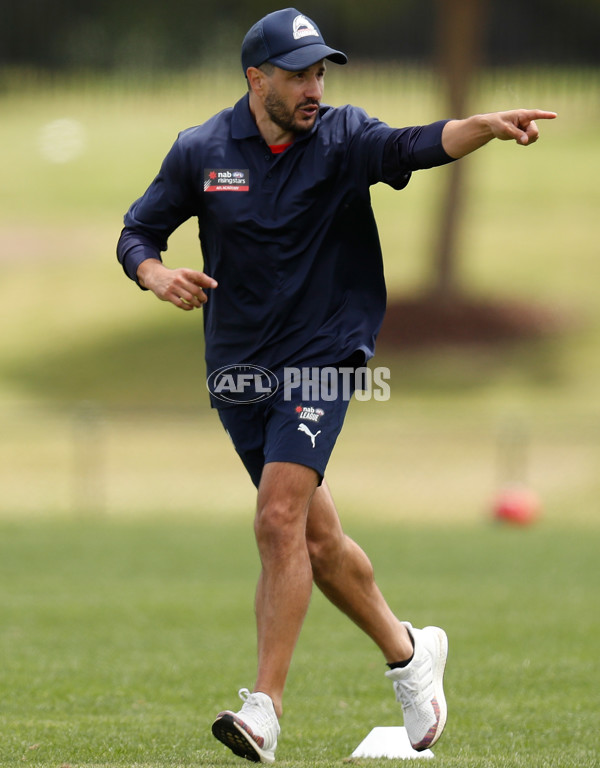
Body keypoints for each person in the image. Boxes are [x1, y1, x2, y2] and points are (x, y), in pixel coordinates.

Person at [117, 8, 556, 764]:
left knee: (276, 517)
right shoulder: (202, 152)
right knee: (313, 536)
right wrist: (156, 275)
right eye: (299, 73)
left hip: (325, 354)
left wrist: (480, 124)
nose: (315, 86)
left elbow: (414, 144)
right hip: (240, 369)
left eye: (321, 71)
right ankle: (409, 651)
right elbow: (137, 232)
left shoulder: (345, 139)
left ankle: (265, 710)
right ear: (257, 79)